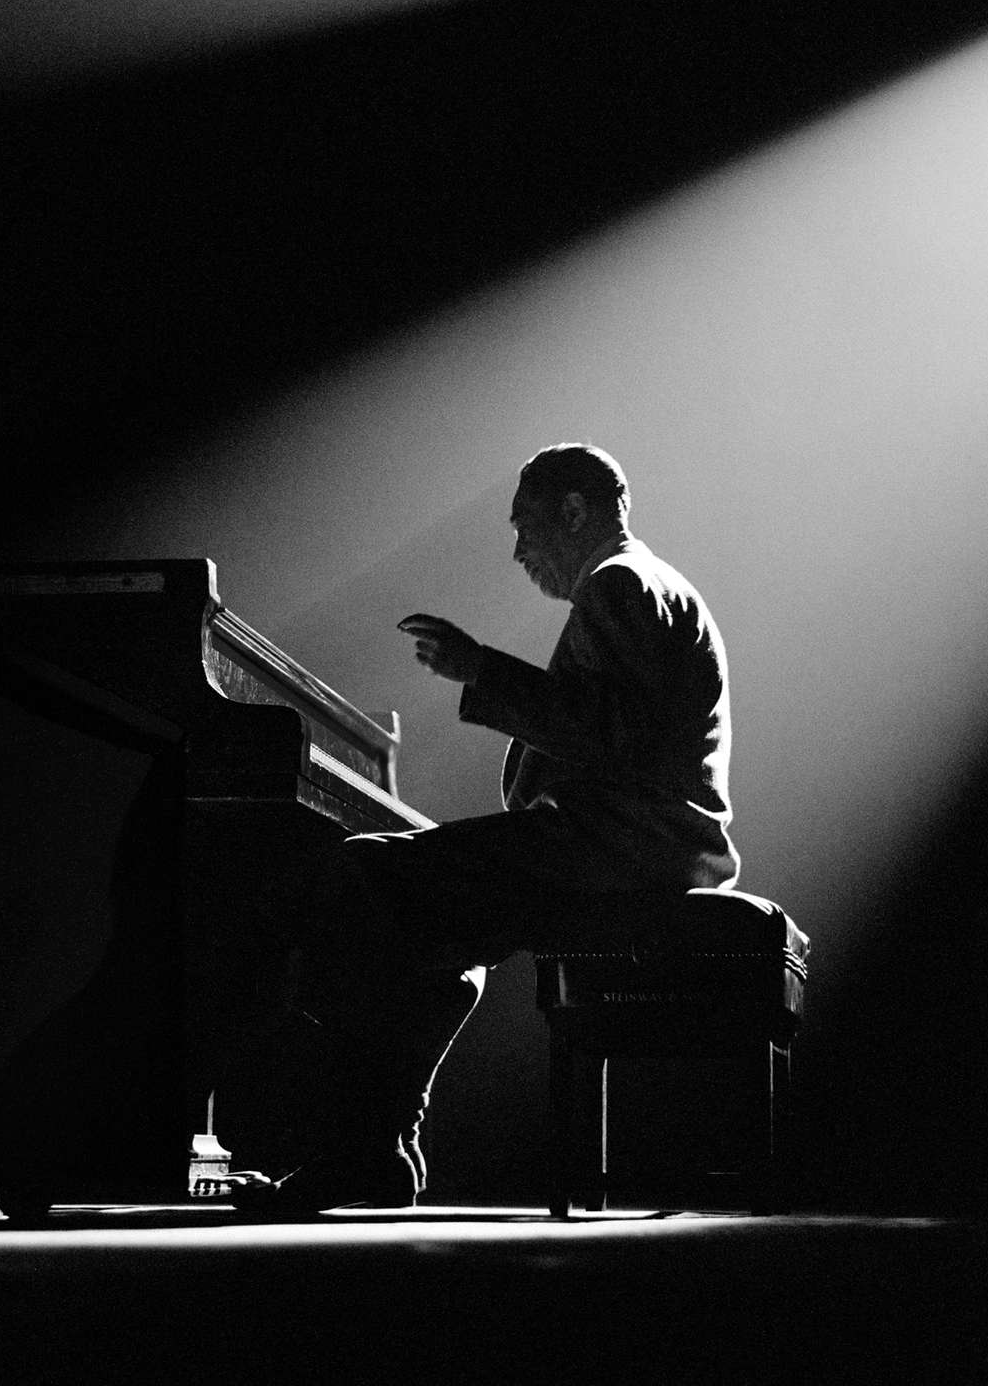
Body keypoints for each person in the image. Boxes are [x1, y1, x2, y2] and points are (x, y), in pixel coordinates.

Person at [223, 442, 738, 1214]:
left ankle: (361, 1150)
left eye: (525, 528)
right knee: (428, 926)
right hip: (634, 841)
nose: (519, 552)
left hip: (624, 847)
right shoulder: (641, 586)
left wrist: (481, 669)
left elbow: (611, 734)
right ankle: (375, 1149)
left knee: (366, 873)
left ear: (574, 511)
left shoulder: (620, 583)